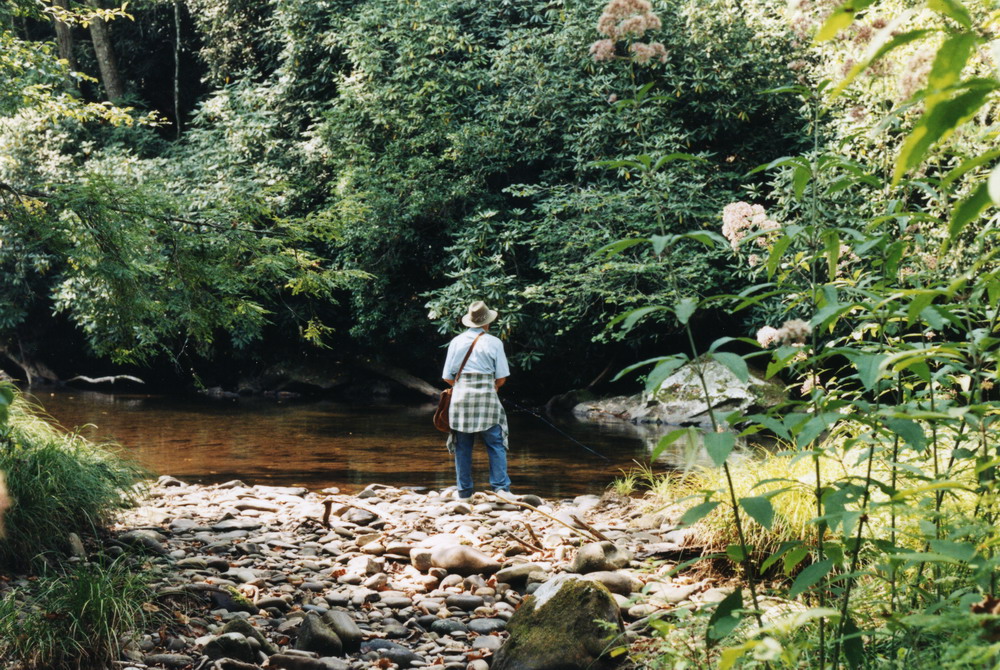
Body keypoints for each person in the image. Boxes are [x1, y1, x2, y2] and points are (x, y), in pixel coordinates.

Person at [442, 300, 511, 499]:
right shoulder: (495, 342)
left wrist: (463, 385)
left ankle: (464, 492)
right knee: (495, 443)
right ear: (487, 322)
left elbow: (447, 377)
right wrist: (492, 387)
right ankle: (501, 490)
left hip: (461, 398)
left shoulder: (456, 341)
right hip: (487, 398)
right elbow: (501, 378)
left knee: (463, 447)